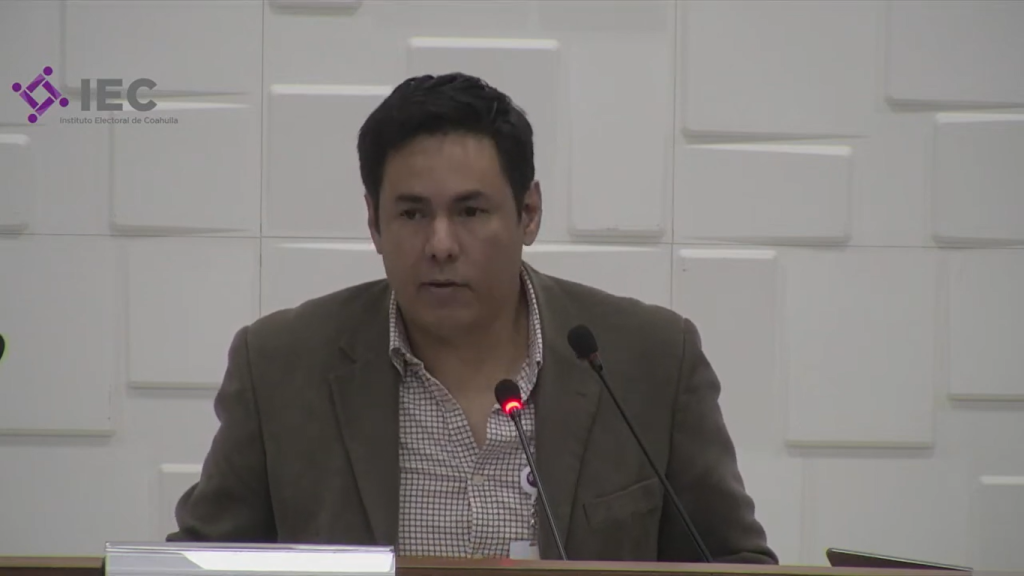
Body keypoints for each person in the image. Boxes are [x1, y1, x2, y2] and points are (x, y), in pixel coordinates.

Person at [167, 72, 776, 564]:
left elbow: (733, 563)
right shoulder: (280, 366)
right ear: (373, 223)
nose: (440, 245)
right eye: (411, 214)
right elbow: (199, 562)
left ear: (528, 213)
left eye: (470, 212)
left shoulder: (649, 361)